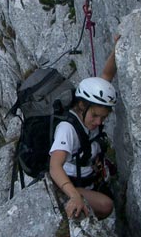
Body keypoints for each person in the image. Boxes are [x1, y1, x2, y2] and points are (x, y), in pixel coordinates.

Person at [49, 36, 119, 220]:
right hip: (70, 184)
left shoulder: (91, 110)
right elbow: (55, 166)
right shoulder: (67, 128)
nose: (98, 122)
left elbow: (106, 76)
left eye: (103, 117)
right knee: (106, 206)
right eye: (95, 116)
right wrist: (74, 195)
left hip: (89, 178)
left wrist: (117, 49)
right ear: (81, 105)